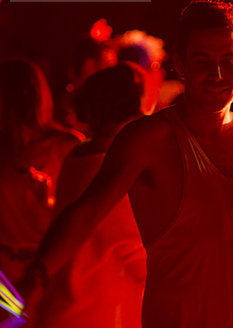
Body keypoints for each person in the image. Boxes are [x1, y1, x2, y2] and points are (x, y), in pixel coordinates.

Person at [22, 0, 233, 327]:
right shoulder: (151, 139)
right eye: (202, 61)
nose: (218, 74)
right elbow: (87, 211)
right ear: (179, 63)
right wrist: (32, 282)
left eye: (228, 59)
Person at [34, 65, 147, 328]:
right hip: (94, 313)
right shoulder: (111, 171)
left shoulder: (78, 156)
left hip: (63, 307)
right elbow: (141, 258)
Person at [0, 60, 82, 285]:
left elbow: (84, 220)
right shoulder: (4, 149)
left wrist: (46, 202)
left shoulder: (68, 147)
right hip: (4, 274)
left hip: (49, 274)